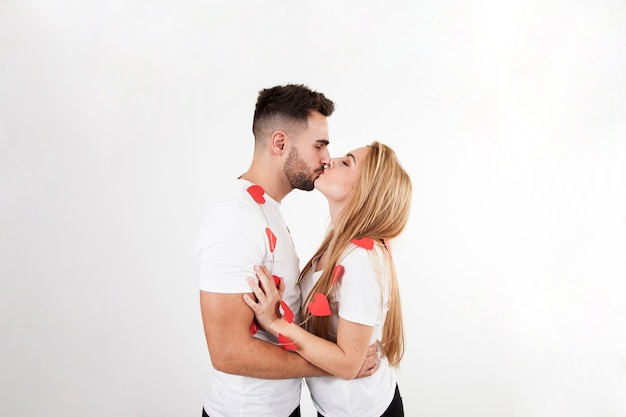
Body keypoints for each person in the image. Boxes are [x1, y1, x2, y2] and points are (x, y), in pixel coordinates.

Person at [193, 84, 378, 417]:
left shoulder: (267, 210)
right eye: (319, 145)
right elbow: (227, 353)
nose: (326, 159)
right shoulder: (234, 220)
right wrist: (338, 366)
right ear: (280, 143)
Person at [244, 141, 411, 417]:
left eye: (347, 162)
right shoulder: (340, 243)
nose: (330, 160)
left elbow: (347, 364)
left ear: (366, 191)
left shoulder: (361, 260)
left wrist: (276, 323)